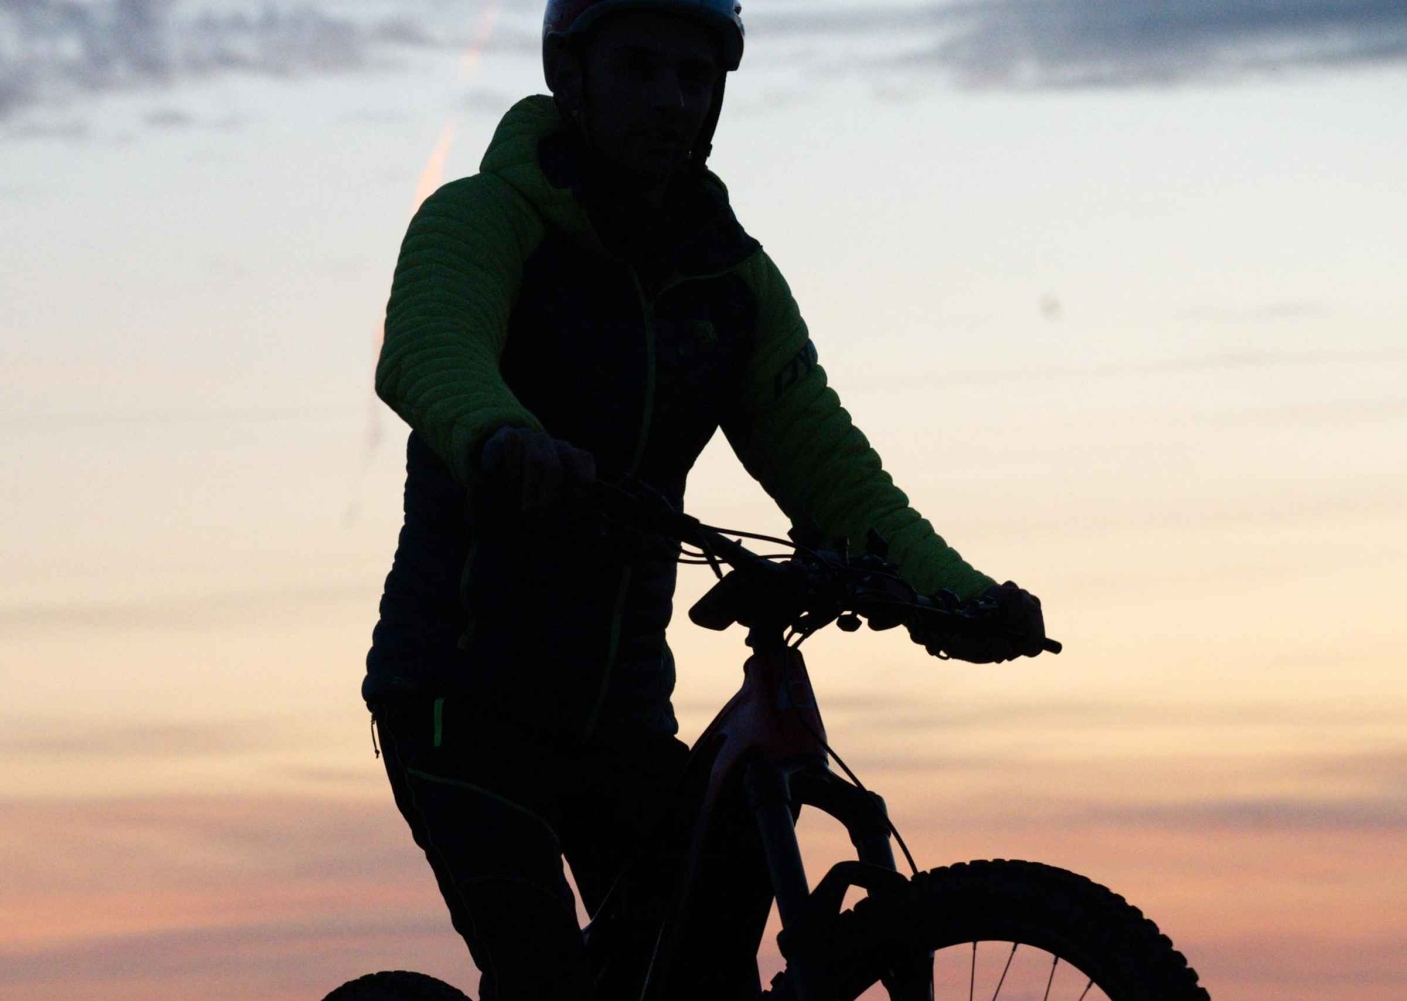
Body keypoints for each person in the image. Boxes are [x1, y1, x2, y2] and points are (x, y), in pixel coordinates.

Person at [363, 1, 1048, 998]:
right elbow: (432, 348)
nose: (671, 100)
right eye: (639, 68)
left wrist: (960, 597)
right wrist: (505, 437)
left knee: (702, 973)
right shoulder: (483, 217)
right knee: (548, 983)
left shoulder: (731, 282)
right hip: (459, 703)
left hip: (622, 721)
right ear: (572, 75)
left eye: (694, 76)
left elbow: (833, 472)